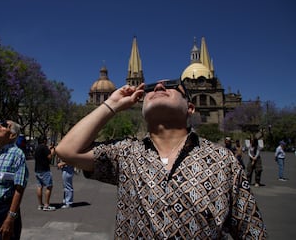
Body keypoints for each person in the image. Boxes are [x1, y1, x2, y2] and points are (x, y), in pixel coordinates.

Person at [55, 78, 267, 239]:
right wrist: (113, 104)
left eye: (172, 86)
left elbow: (252, 231)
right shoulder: (126, 152)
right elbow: (66, 150)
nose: (158, 88)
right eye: (149, 89)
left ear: (190, 108)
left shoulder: (223, 160)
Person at [34, 136, 56, 211]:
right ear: (44, 141)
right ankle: (46, 205)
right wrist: (52, 151)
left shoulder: (37, 148)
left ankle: (40, 205)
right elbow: (49, 157)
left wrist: (49, 149)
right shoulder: (44, 147)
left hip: (37, 169)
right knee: (49, 186)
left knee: (39, 187)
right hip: (45, 170)